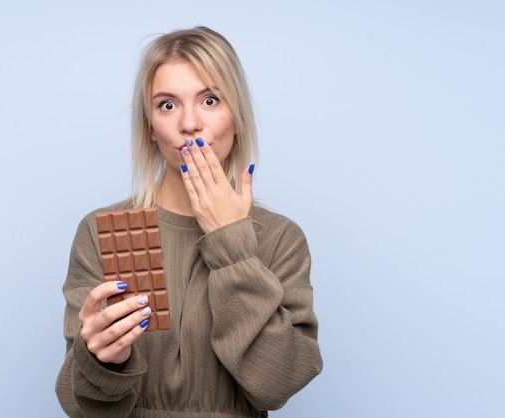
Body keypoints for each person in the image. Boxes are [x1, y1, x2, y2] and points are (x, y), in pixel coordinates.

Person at [55, 26, 323, 418]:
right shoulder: (102, 231)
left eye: (210, 100)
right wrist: (102, 360)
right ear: (150, 126)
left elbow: (278, 384)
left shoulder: (280, 239)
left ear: (238, 116)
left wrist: (229, 239)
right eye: (167, 105)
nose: (190, 124)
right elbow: (76, 404)